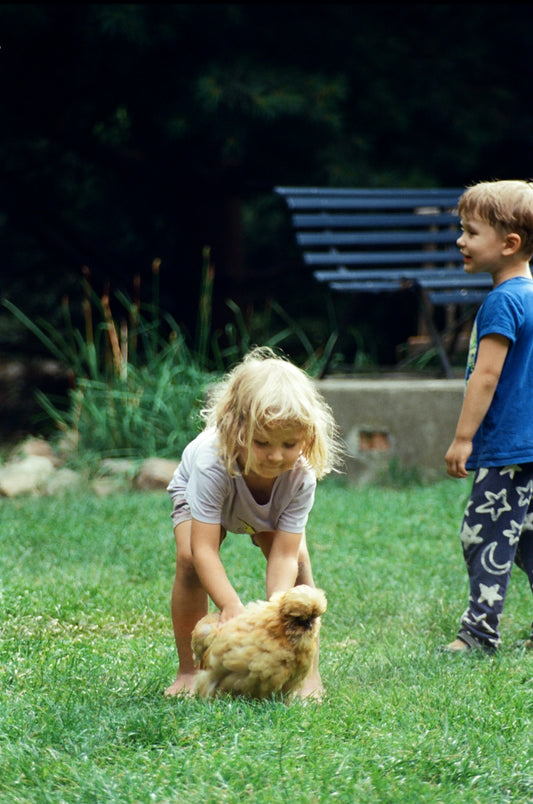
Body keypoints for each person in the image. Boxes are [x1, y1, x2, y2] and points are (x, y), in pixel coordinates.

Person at [164, 345, 344, 696]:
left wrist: (275, 615)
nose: (276, 456)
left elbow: (284, 555)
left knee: (301, 569)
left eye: (289, 444)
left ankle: (307, 673)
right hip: (206, 493)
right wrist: (230, 605)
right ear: (236, 430)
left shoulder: (299, 476)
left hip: (266, 507)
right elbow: (204, 549)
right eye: (262, 442)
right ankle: (189, 671)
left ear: (308, 437)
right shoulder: (210, 462)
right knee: (188, 561)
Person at [445, 179, 533, 652]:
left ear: (509, 244)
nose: (461, 241)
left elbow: (486, 375)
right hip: (531, 445)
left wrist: (464, 439)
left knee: (484, 535)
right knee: (526, 539)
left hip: (508, 449)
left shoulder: (503, 301)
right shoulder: (531, 296)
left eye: (470, 232)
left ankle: (478, 633)